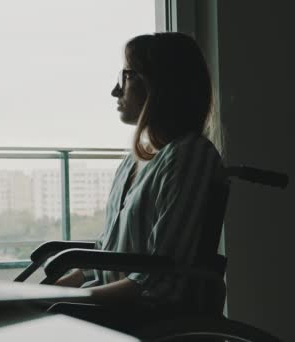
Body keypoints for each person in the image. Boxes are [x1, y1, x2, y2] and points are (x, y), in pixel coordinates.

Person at [54, 32, 224, 311]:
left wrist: (66, 300)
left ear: (160, 85)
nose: (115, 90)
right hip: (112, 302)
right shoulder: (133, 162)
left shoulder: (190, 155)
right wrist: (38, 292)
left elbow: (159, 278)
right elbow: (103, 260)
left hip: (143, 312)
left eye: (127, 76)